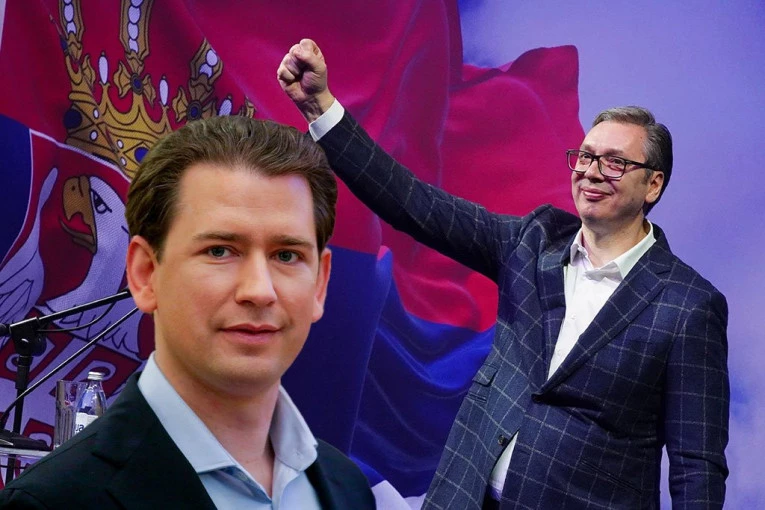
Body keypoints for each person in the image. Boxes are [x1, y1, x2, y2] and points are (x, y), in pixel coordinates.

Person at [277, 39, 729, 509]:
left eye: (614, 162)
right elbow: (411, 201)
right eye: (585, 157)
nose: (592, 172)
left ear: (653, 184)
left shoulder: (688, 306)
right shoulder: (532, 241)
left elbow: (696, 466)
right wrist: (320, 108)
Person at [0, 116, 376, 509]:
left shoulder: (347, 490)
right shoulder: (53, 503)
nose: (259, 291)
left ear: (320, 283)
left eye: (286, 255)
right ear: (145, 273)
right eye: (220, 251)